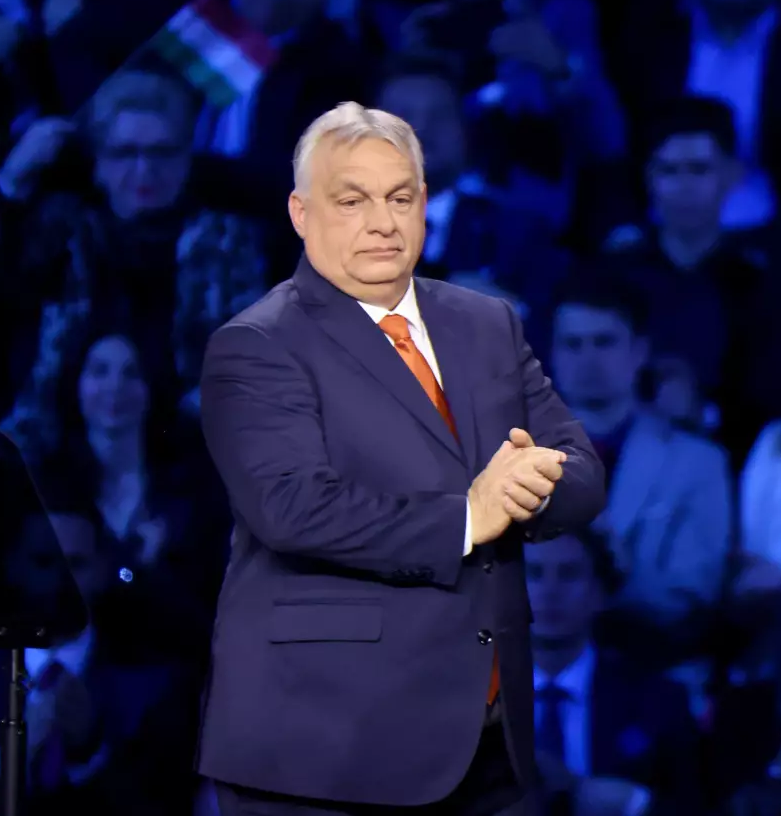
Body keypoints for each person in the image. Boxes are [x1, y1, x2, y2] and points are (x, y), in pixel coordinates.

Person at [196, 102, 606, 816]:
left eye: (400, 198)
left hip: (484, 740)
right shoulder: (258, 344)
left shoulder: (486, 322)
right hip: (324, 746)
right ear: (300, 213)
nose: (382, 223)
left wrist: (531, 487)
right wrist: (468, 517)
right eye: (352, 201)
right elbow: (292, 507)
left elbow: (580, 468)